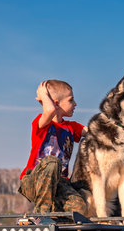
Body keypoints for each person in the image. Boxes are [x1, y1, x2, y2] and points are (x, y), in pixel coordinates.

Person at [19, 80, 88, 214]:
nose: (75, 104)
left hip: (58, 184)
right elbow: (49, 111)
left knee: (80, 208)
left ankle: (55, 220)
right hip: (33, 180)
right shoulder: (42, 122)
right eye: (71, 100)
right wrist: (43, 94)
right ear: (56, 103)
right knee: (52, 162)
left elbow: (95, 131)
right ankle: (40, 215)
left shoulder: (71, 127)